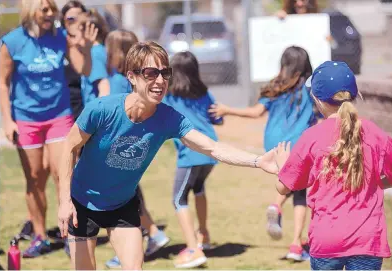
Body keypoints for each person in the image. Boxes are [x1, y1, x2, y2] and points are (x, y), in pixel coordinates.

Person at [57, 41, 278, 270]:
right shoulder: (101, 110)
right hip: (82, 203)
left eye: (165, 73)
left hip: (121, 205)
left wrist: (258, 161)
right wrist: (65, 201)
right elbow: (69, 148)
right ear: (131, 77)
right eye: (151, 73)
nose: (160, 81)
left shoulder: (169, 118)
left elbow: (213, 148)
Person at [273, 61, 392, 271]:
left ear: (317, 99)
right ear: (355, 96)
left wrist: (283, 164)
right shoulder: (372, 131)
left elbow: (283, 187)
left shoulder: (311, 136)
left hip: (326, 240)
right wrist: (377, 184)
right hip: (368, 239)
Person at [0, 0, 97, 258]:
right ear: (30, 11)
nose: (50, 14)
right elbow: (2, 81)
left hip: (59, 116)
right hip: (26, 119)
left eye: (52, 9)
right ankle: (40, 235)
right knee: (35, 177)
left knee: (62, 173)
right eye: (44, 9)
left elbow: (83, 69)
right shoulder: (13, 41)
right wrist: (7, 120)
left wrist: (84, 49)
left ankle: (70, 233)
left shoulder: (60, 37)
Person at [209, 46, 320, 261]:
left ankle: (276, 205)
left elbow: (256, 112)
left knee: (288, 181)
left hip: (274, 145)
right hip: (299, 145)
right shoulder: (310, 87)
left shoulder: (275, 85)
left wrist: (227, 110)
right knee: (301, 194)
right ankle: (296, 245)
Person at [102, 30, 170, 269]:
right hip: (126, 151)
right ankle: (153, 234)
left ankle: (132, 248)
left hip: (117, 151)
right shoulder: (124, 78)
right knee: (130, 197)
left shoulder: (121, 81)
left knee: (122, 202)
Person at [163, 51, 223, 268]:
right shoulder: (204, 93)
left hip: (192, 154)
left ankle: (192, 248)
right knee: (198, 188)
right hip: (210, 152)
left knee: (178, 199)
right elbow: (217, 118)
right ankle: (203, 235)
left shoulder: (170, 95)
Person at [72, 9, 110, 104]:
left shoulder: (94, 53)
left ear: (88, 30)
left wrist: (98, 115)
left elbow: (104, 89)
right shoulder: (102, 49)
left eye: (78, 29)